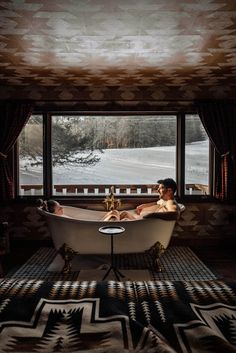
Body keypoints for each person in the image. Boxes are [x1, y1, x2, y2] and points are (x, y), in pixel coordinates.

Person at [102, 178, 178, 221]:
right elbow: (156, 203)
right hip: (143, 223)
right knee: (122, 213)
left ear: (169, 190)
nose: (158, 190)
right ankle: (105, 225)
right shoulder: (164, 201)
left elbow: (175, 214)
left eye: (161, 188)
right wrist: (142, 206)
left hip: (145, 225)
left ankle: (104, 228)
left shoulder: (170, 202)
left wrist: (151, 215)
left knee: (114, 213)